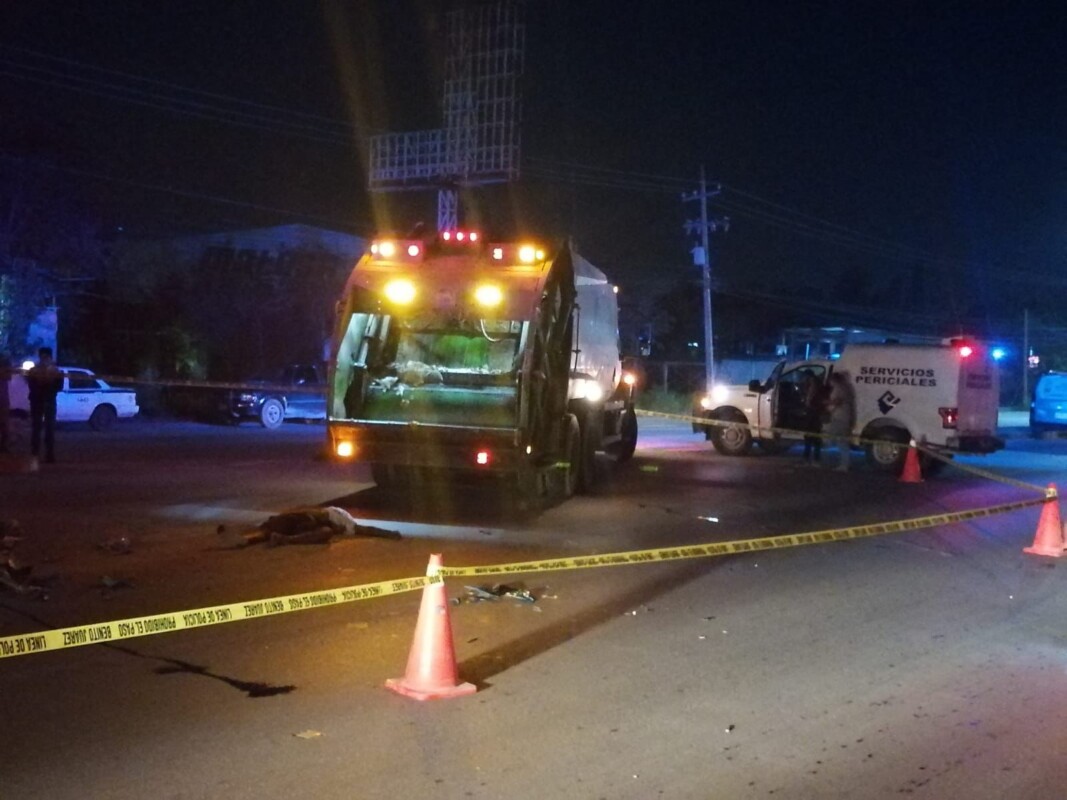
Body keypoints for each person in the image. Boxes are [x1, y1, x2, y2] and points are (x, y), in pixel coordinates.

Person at [27, 347, 63, 464]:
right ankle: (36, 453)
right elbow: (31, 386)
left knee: (48, 428)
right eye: (43, 357)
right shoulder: (34, 371)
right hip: (38, 401)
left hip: (48, 401)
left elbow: (59, 387)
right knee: (37, 428)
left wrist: (50, 380)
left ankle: (48, 454)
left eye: (46, 357)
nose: (44, 359)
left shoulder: (55, 371)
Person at [824, 371, 856, 472]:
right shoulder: (847, 388)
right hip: (845, 416)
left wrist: (826, 403)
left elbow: (838, 401)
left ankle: (842, 464)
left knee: (839, 441)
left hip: (840, 417)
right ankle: (844, 463)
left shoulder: (839, 388)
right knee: (841, 441)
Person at [799, 371, 824, 466]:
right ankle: (814, 459)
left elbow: (809, 400)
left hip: (813, 413)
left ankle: (810, 459)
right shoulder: (817, 383)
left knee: (810, 437)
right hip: (816, 413)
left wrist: (806, 405)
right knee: (814, 437)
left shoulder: (813, 385)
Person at [0, 353, 11, 453]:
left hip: (3, 397)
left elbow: (8, 376)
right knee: (4, 422)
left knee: (4, 422)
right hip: (3, 396)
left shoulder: (4, 360)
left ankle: (4, 445)